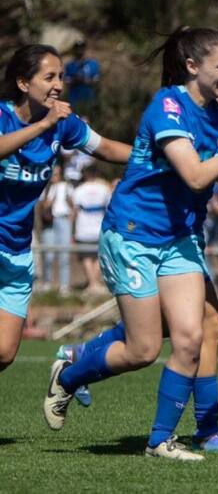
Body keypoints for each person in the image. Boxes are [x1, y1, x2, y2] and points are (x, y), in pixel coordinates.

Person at [54, 32, 218, 455]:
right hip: (134, 235)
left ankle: (163, 440)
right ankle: (70, 373)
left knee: (194, 335)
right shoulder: (169, 106)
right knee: (143, 349)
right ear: (194, 67)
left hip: (179, 238)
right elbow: (197, 176)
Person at [0, 44, 130, 372]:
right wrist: (44, 125)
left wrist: (162, 154)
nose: (58, 84)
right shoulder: (4, 116)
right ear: (22, 83)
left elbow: (107, 148)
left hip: (16, 247)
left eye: (61, 76)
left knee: (4, 353)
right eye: (49, 77)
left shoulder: (64, 124)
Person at [72, 164, 111, 295]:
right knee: (100, 255)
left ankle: (93, 284)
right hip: (100, 225)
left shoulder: (79, 190)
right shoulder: (104, 188)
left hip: (83, 226)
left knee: (86, 257)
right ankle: (95, 283)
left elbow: (75, 211)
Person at [39, 163, 74, 295]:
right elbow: (43, 206)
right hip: (49, 222)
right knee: (48, 254)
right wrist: (51, 197)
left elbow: (73, 205)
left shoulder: (67, 186)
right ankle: (47, 282)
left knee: (64, 254)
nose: (54, 176)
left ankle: (64, 285)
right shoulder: (46, 188)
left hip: (63, 220)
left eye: (57, 174)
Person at [64, 38, 100, 118]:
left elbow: (96, 80)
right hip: (74, 100)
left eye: (82, 47)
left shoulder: (92, 64)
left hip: (89, 99)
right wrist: (75, 80)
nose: (79, 50)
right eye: (77, 47)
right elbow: (67, 81)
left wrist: (85, 80)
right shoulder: (70, 65)